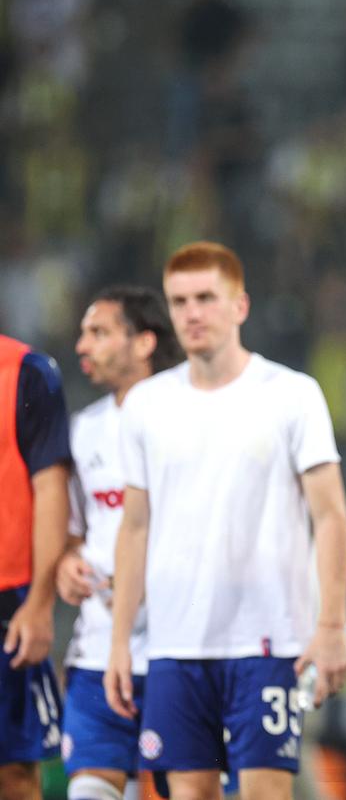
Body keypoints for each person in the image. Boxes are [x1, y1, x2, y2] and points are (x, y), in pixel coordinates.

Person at [107, 242, 346, 800]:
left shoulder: (292, 395)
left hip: (266, 641)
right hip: (175, 644)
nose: (192, 313)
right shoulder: (146, 405)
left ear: (240, 306)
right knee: (188, 793)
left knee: (265, 792)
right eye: (179, 301)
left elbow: (331, 515)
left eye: (205, 298)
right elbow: (135, 528)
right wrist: (121, 641)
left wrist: (332, 624)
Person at [58, 288, 182, 800]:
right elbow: (75, 533)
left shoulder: (192, 420)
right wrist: (66, 562)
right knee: (90, 790)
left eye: (100, 332)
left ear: (144, 342)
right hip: (99, 649)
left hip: (181, 649)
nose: (82, 345)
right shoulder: (84, 429)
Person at [0, 333, 70, 800]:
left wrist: (41, 604)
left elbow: (51, 489)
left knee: (14, 771)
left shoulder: (25, 371)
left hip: (8, 603)